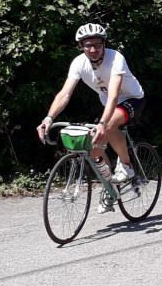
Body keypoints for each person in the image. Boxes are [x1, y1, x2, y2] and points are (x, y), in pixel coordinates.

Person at [36, 23, 146, 213]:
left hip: (132, 99)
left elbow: (113, 95)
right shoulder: (79, 63)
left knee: (109, 126)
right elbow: (65, 94)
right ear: (81, 46)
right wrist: (48, 118)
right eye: (88, 45)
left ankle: (127, 166)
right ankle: (109, 186)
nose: (93, 49)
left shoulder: (115, 58)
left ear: (104, 44)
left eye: (97, 44)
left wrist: (103, 123)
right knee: (93, 144)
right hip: (108, 104)